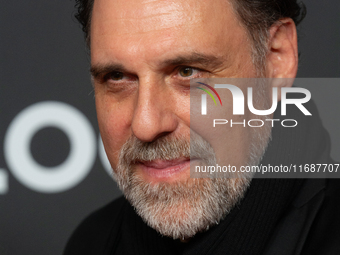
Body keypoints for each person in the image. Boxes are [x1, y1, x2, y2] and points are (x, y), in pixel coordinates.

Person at [64, 0, 340, 254]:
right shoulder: (92, 242)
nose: (145, 124)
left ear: (276, 60)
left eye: (187, 71)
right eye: (117, 77)